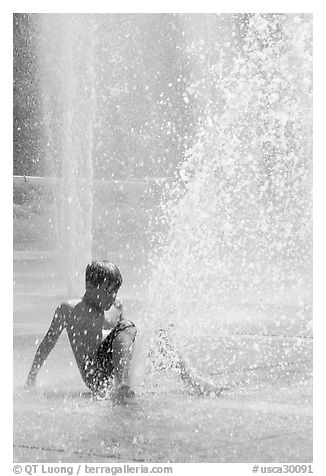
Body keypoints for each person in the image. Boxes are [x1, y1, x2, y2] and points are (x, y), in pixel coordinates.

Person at [26, 260, 137, 403]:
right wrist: (32, 377)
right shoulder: (70, 310)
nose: (113, 296)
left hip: (113, 365)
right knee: (126, 326)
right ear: (89, 286)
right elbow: (49, 342)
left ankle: (123, 385)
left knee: (129, 327)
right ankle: (121, 386)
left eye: (116, 291)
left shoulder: (117, 307)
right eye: (108, 291)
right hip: (94, 373)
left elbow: (126, 342)